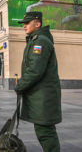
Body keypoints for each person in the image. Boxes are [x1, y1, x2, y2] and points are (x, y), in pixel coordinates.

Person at [16, 11, 62, 152]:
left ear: (38, 24)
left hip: (43, 96)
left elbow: (35, 70)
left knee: (45, 132)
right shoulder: (36, 39)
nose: (24, 26)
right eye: (23, 23)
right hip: (41, 95)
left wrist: (20, 86)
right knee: (43, 129)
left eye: (27, 23)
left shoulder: (40, 41)